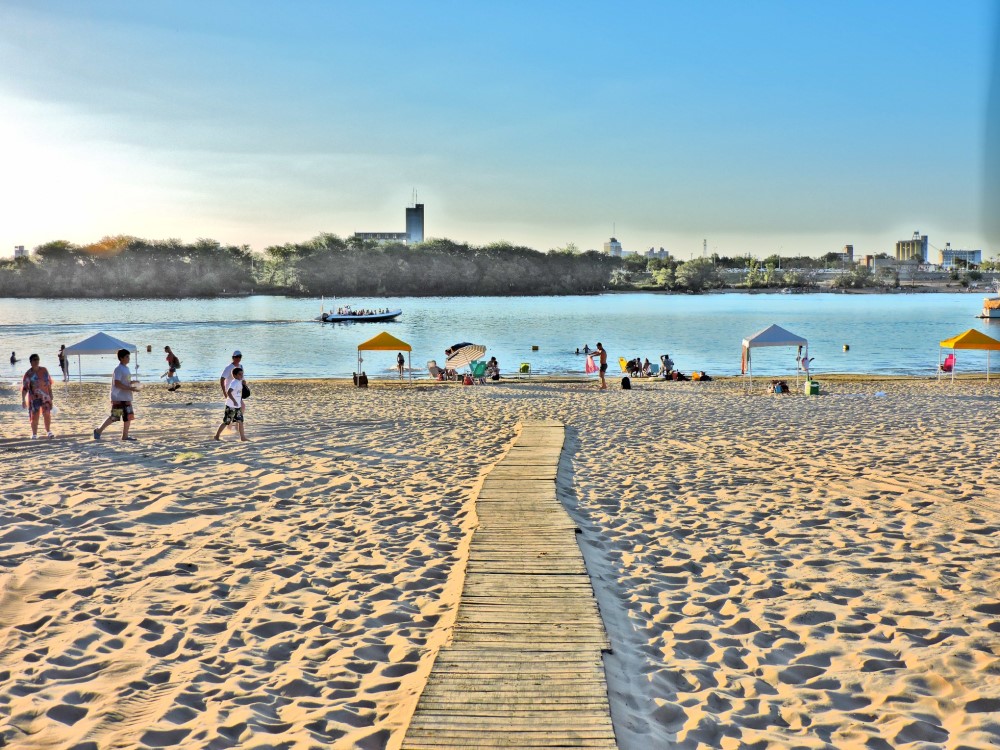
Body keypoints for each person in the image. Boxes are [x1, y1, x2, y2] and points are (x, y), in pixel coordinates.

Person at [94, 349, 137, 441]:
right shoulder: (118, 369)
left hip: (127, 397)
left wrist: (134, 383)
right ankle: (98, 430)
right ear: (121, 358)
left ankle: (125, 436)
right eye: (127, 357)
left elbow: (128, 381)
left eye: (129, 356)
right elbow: (117, 383)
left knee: (128, 417)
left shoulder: (127, 369)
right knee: (114, 417)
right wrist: (129, 388)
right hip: (118, 397)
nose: (129, 358)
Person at [21, 354, 54, 439]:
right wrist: (23, 400)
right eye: (34, 360)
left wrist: (51, 394)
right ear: (31, 362)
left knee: (47, 414)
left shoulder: (44, 370)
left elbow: (48, 383)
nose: (36, 361)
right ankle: (34, 434)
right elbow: (25, 388)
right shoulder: (28, 374)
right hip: (34, 398)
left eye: (37, 359)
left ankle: (49, 431)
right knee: (34, 415)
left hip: (45, 397)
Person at [214, 367, 248, 441]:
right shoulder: (234, 382)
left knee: (240, 421)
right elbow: (229, 392)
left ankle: (243, 437)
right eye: (239, 374)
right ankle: (216, 436)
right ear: (235, 375)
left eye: (242, 374)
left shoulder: (239, 381)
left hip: (237, 406)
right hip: (231, 406)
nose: (241, 375)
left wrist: (244, 384)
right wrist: (234, 401)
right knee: (226, 422)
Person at [221, 350, 246, 415]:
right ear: (233, 358)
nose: (238, 358)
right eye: (236, 357)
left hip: (238, 391)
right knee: (233, 409)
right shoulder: (229, 367)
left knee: (241, 407)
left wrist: (244, 382)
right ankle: (233, 423)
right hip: (230, 391)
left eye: (239, 357)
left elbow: (242, 378)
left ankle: (238, 423)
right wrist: (224, 392)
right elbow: (222, 379)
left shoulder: (241, 366)